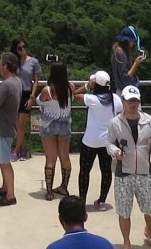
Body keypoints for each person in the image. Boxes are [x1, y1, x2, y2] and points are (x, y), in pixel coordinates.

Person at [108, 83, 151, 249]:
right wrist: (116, 152)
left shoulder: (149, 120)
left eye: (135, 101)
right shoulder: (115, 123)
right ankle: (126, 241)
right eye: (129, 101)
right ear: (123, 101)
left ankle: (148, 229)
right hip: (123, 172)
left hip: (145, 171)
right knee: (124, 210)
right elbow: (109, 143)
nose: (132, 104)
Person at [0, 52, 24, 205]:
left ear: (5, 66)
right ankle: (5, 188)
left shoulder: (7, 84)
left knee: (5, 162)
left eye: (0, 64)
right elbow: (6, 96)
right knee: (2, 160)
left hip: (2, 128)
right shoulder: (16, 81)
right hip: (7, 126)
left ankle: (10, 195)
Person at [36, 59, 76, 199]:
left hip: (49, 125)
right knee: (64, 157)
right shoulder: (70, 87)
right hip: (65, 124)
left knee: (50, 159)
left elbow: (40, 101)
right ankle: (64, 187)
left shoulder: (47, 90)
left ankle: (49, 191)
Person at [78, 70, 118, 209]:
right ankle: (101, 202)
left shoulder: (92, 99)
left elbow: (75, 94)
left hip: (90, 141)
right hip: (107, 142)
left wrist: (87, 86)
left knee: (84, 171)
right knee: (106, 171)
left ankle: (82, 201)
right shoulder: (115, 99)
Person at [13, 40, 42, 161]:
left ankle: (16, 150)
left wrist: (32, 96)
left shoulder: (34, 62)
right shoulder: (14, 62)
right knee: (16, 124)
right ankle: (23, 149)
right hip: (15, 93)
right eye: (20, 48)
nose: (23, 49)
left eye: (24, 46)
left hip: (26, 93)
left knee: (21, 123)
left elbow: (36, 81)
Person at [109, 28, 144, 95]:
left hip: (121, 90)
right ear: (126, 41)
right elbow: (125, 78)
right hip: (126, 92)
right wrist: (136, 64)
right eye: (132, 41)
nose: (133, 43)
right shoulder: (121, 54)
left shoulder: (116, 51)